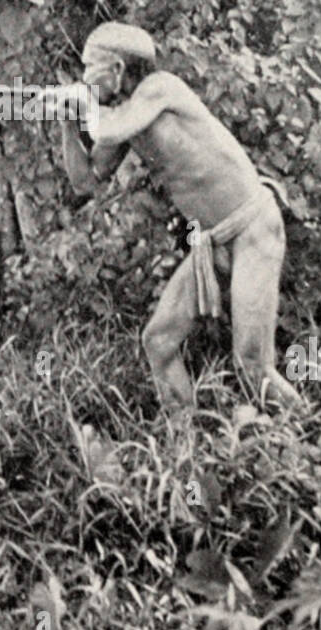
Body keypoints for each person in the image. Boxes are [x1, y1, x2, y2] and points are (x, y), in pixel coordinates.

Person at [56, 22, 304, 413]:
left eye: (91, 67)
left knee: (254, 366)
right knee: (158, 341)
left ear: (118, 69)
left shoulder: (159, 89)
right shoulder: (122, 119)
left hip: (253, 228)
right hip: (213, 241)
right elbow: (85, 181)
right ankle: (182, 446)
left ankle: (310, 447)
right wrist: (66, 121)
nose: (84, 76)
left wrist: (81, 104)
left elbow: (108, 126)